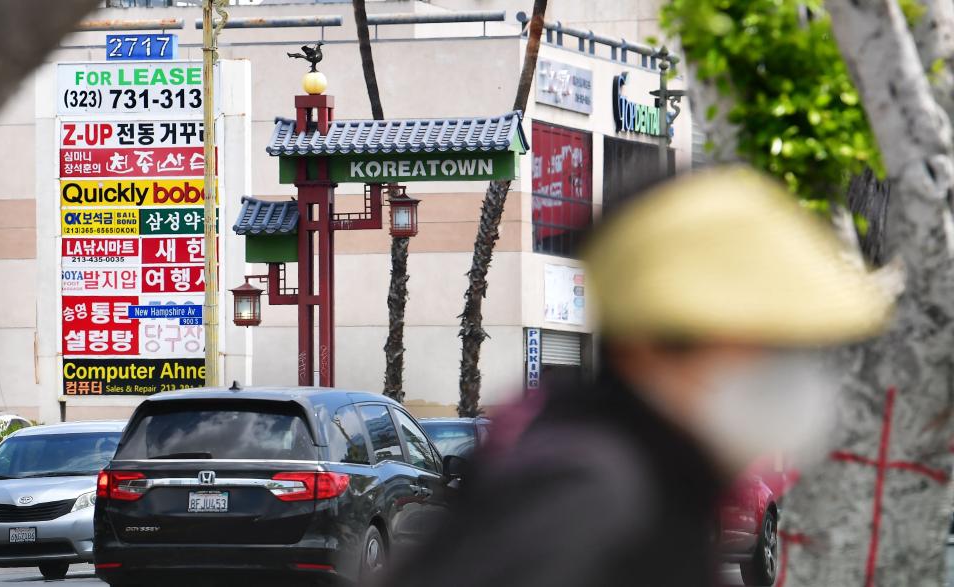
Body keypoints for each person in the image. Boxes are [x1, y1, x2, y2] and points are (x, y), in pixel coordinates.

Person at [379, 166, 892, 587]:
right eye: (770, 343)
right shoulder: (594, 494)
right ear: (656, 342)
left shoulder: (649, 479)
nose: (791, 370)